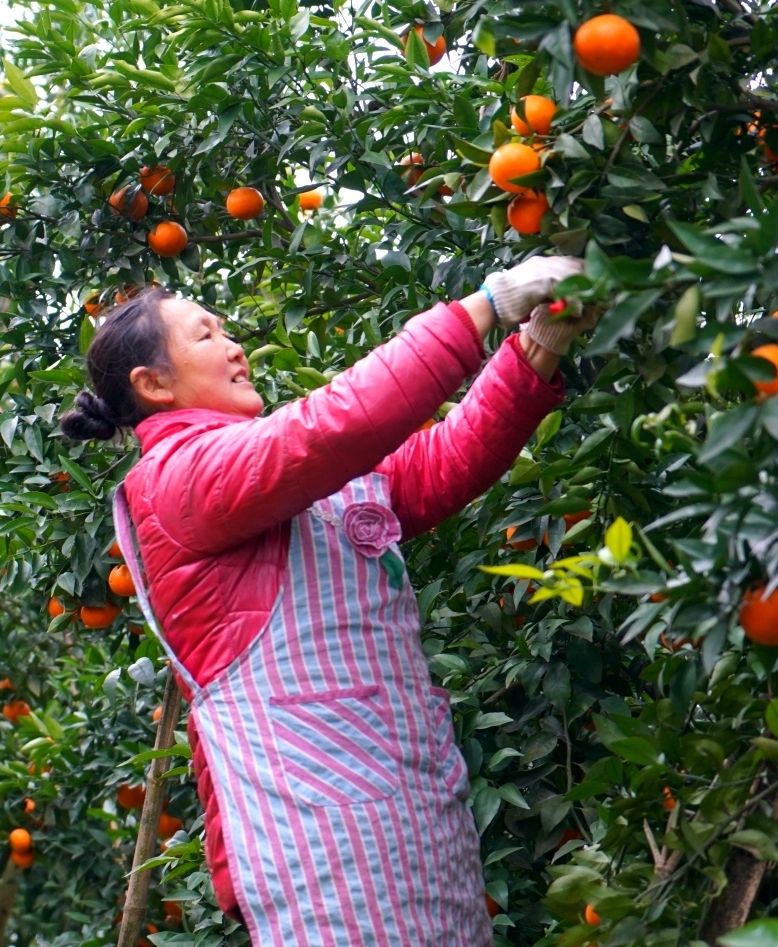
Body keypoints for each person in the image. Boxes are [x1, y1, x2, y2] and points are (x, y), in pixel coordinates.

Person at [60, 258, 595, 945]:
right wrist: (483, 306)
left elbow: (440, 462)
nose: (234, 346)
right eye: (205, 335)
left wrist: (537, 349)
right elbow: (331, 428)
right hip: (316, 847)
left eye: (227, 330)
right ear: (154, 383)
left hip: (413, 820)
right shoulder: (178, 479)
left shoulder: (277, 471)